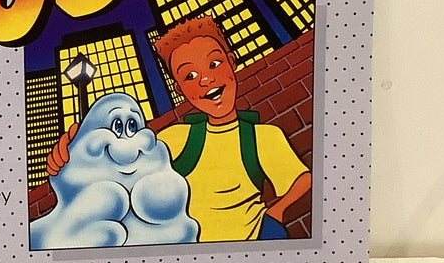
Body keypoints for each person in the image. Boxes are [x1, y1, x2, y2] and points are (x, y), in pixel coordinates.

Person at [46, 16, 311, 241]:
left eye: (214, 64)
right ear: (179, 89)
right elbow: (118, 169)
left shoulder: (262, 136)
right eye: (189, 76)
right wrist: (69, 162)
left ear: (232, 62)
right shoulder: (173, 139)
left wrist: (276, 212)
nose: (206, 79)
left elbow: (301, 178)